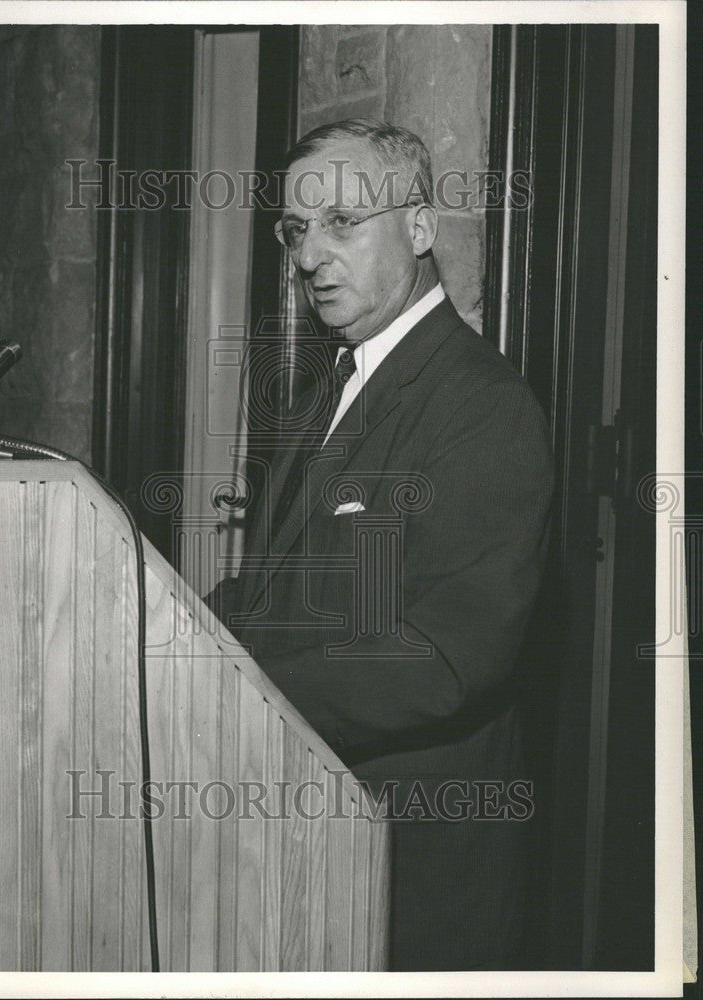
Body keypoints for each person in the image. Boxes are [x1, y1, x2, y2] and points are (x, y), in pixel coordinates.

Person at [204, 118, 555, 971]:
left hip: (413, 863)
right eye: (296, 229)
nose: (310, 254)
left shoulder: (482, 407)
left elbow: (445, 657)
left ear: (421, 228)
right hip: (312, 838)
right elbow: (279, 580)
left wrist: (230, 701)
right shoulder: (340, 378)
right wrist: (165, 628)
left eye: (343, 223)